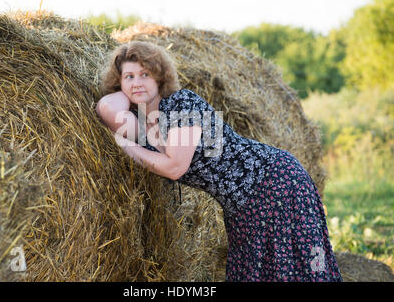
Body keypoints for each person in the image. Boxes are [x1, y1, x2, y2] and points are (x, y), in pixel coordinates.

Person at [96, 41, 342, 282]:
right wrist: (126, 91)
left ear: (159, 77)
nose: (137, 82)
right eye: (129, 77)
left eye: (145, 74)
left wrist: (128, 147)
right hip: (242, 204)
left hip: (273, 182)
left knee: (299, 266)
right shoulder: (141, 121)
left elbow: (174, 167)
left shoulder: (182, 103)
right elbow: (106, 106)